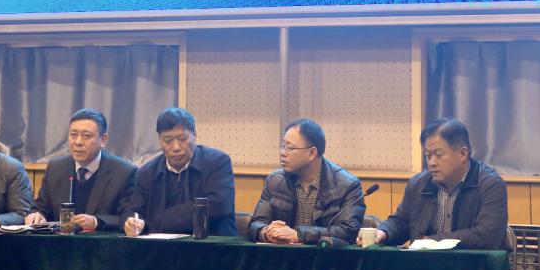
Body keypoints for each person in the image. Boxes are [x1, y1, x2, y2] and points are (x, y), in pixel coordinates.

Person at [376, 117, 509, 250]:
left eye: (439, 155)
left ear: (463, 154)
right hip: (423, 262)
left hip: (470, 262)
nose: (432, 163)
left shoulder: (490, 185)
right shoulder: (418, 184)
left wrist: (433, 241)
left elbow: (487, 235)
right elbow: (401, 222)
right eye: (428, 156)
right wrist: (384, 232)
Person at [248, 118, 365, 245]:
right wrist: (266, 232)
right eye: (282, 146)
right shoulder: (275, 181)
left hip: (325, 255)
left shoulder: (347, 185)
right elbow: (256, 223)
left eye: (290, 148)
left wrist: (298, 235)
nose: (282, 153)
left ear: (312, 153)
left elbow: (348, 231)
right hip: (283, 255)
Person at [122, 107, 237, 236]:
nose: (176, 147)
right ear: (159, 140)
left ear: (195, 135)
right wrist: (131, 222)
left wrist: (160, 220)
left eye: (182, 139)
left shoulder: (217, 162)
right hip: (160, 246)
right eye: (168, 141)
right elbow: (134, 210)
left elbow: (218, 206)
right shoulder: (146, 172)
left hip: (211, 242)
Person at [24, 108, 136, 231]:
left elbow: (128, 217)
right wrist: (36, 215)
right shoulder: (55, 168)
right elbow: (41, 207)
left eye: (86, 136)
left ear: (103, 140)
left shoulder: (124, 172)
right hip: (60, 241)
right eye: (73, 135)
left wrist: (96, 222)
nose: (78, 142)